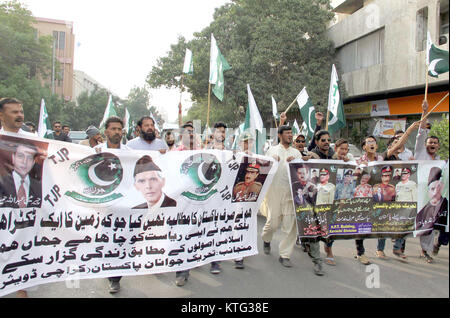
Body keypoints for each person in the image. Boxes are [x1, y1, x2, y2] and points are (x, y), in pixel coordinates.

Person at [262, 126, 323, 273]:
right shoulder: (271, 150)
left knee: (290, 226)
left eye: (291, 133)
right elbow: (263, 169)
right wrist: (270, 160)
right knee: (273, 223)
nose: (290, 136)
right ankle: (266, 238)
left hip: (292, 193)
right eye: (287, 133)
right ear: (280, 135)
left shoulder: (296, 152)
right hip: (275, 191)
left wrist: (298, 160)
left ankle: (284, 255)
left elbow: (305, 169)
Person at [0, 97, 42, 298]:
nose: (20, 115)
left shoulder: (33, 139)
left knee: (22, 259)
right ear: (1, 115)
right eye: (14, 112)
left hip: (26, 212)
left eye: (21, 111)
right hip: (3, 211)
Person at [93, 116, 132, 294]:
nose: (117, 132)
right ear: (106, 131)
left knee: (121, 241)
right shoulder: (95, 151)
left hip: (123, 206)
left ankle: (115, 278)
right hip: (102, 207)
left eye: (119, 129)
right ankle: (108, 270)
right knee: (105, 239)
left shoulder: (129, 152)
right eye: (113, 129)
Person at [414, 100, 442, 262]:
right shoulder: (420, 153)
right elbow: (421, 133)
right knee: (409, 221)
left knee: (429, 223)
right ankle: (398, 246)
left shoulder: (440, 160)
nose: (432, 144)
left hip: (432, 197)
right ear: (425, 145)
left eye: (434, 143)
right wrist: (424, 112)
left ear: (438, 147)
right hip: (417, 193)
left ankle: (425, 251)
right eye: (430, 142)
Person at [415, 167, 447, 263]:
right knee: (428, 226)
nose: (435, 192)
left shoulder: (445, 202)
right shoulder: (423, 205)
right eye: (433, 188)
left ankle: (437, 244)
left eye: (439, 188)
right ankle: (424, 251)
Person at [0, 141, 42, 208]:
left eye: (29, 158)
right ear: (13, 158)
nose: (24, 162)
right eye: (20, 156)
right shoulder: (2, 183)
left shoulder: (40, 187)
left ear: (33, 162)